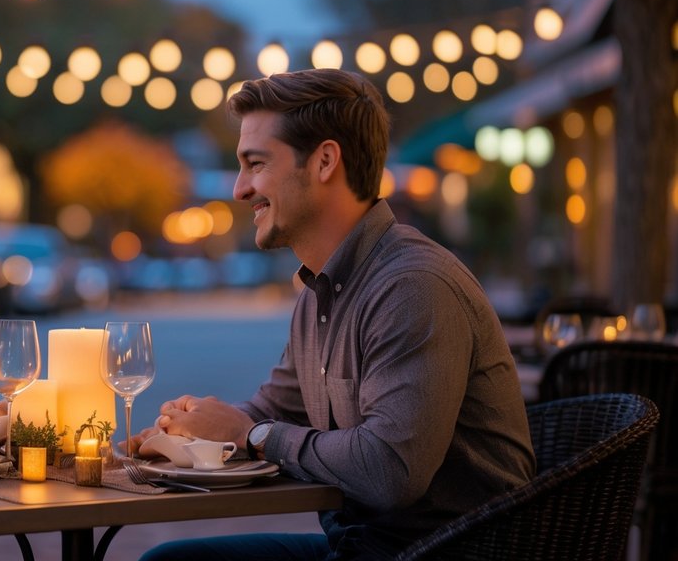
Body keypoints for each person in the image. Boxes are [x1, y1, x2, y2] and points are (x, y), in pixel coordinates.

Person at [138, 70, 535, 561]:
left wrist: (247, 435)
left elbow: (388, 470)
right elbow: (272, 413)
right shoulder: (318, 291)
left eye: (255, 164)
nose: (240, 190)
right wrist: (190, 432)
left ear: (325, 161)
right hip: (362, 545)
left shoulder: (412, 285)